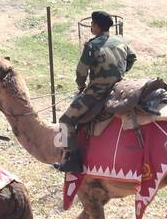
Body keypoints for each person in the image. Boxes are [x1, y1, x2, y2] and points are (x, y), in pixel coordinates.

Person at [56, 10, 137, 173]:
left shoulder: (91, 45)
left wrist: (81, 86)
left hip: (97, 92)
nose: (91, 26)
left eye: (93, 24)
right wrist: (122, 71)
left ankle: (72, 159)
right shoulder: (120, 40)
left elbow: (81, 72)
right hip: (119, 87)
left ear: (97, 26)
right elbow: (133, 57)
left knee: (65, 120)